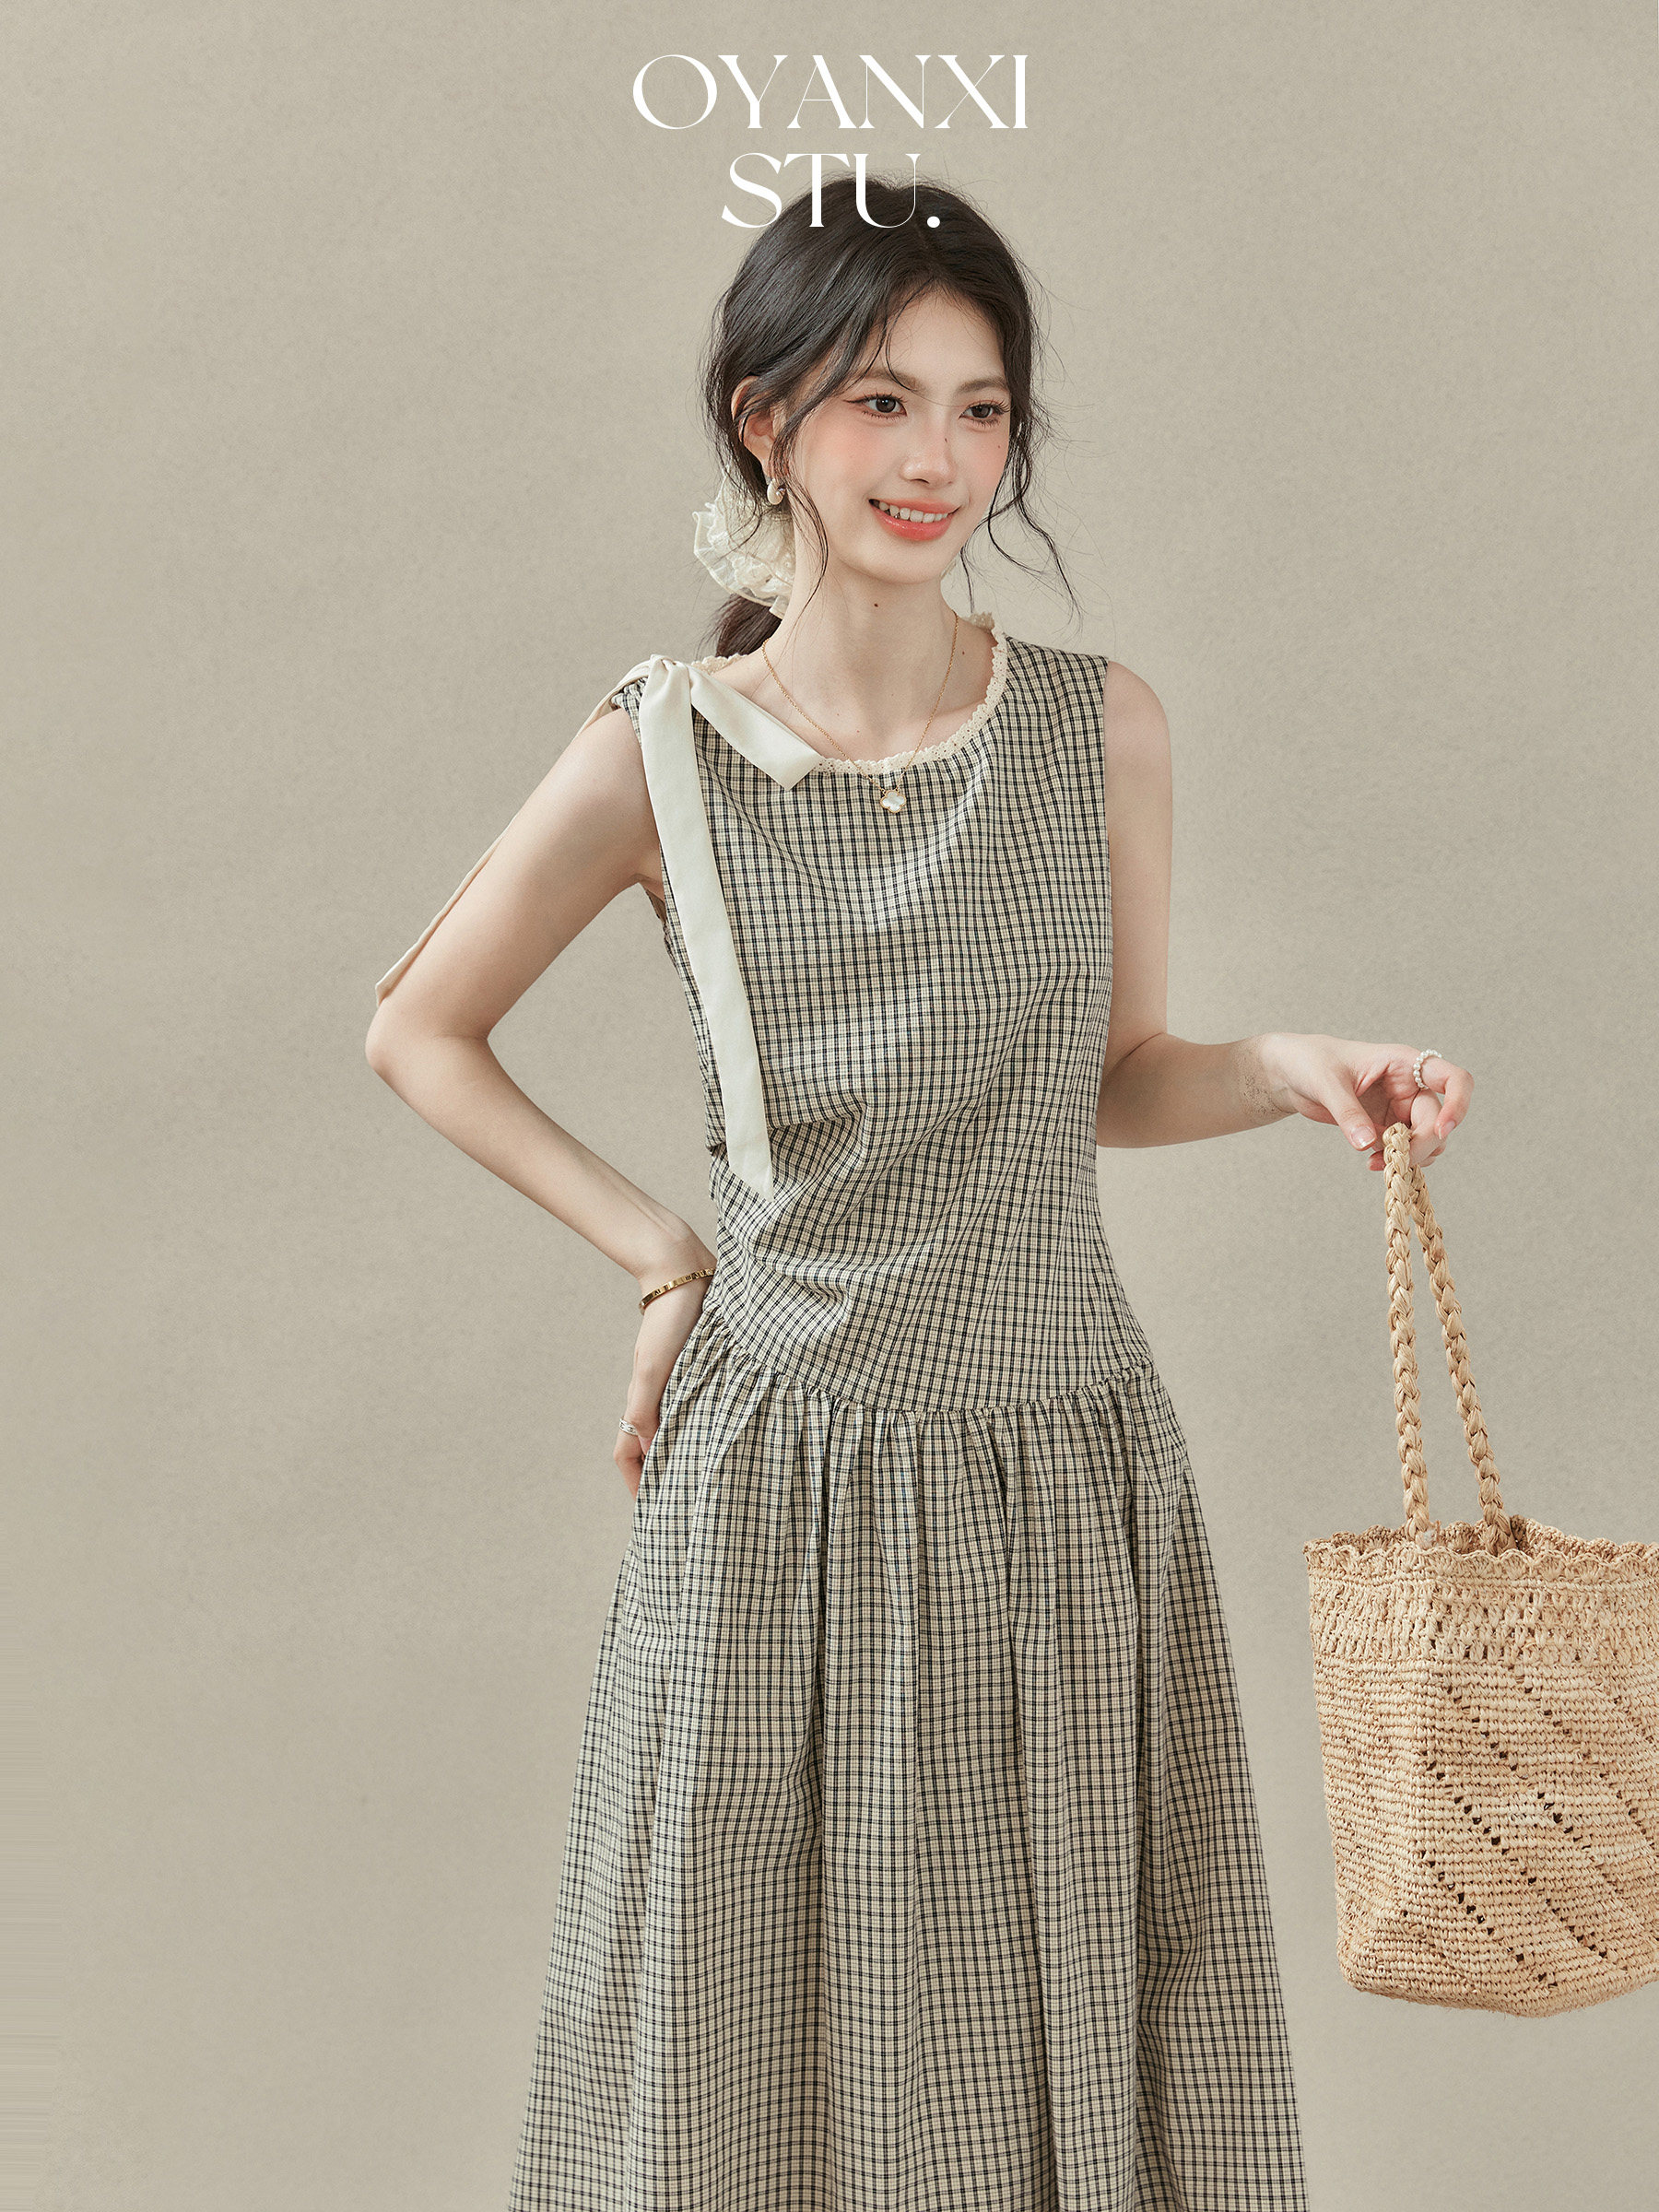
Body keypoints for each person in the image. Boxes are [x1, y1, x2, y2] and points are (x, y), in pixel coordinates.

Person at [366, 174, 1471, 2212]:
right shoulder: (660, 752)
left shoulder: (1098, 729)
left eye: (980, 410)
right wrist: (660, 1254)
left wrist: (1286, 1070)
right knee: (740, 2059)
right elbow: (419, 1029)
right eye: (883, 400)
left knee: (1049, 2053)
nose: (938, 459)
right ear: (765, 418)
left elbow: (1113, 1077)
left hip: (1061, 1472)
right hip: (778, 1485)